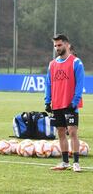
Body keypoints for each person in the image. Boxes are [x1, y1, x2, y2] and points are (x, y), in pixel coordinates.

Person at [44, 34, 85, 172]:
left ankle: (76, 163)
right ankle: (65, 162)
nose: (57, 48)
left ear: (67, 45)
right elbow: (48, 84)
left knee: (73, 132)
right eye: (55, 46)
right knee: (61, 132)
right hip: (57, 104)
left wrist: (74, 102)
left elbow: (80, 85)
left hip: (70, 104)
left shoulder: (76, 62)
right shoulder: (52, 64)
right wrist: (47, 101)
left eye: (59, 45)